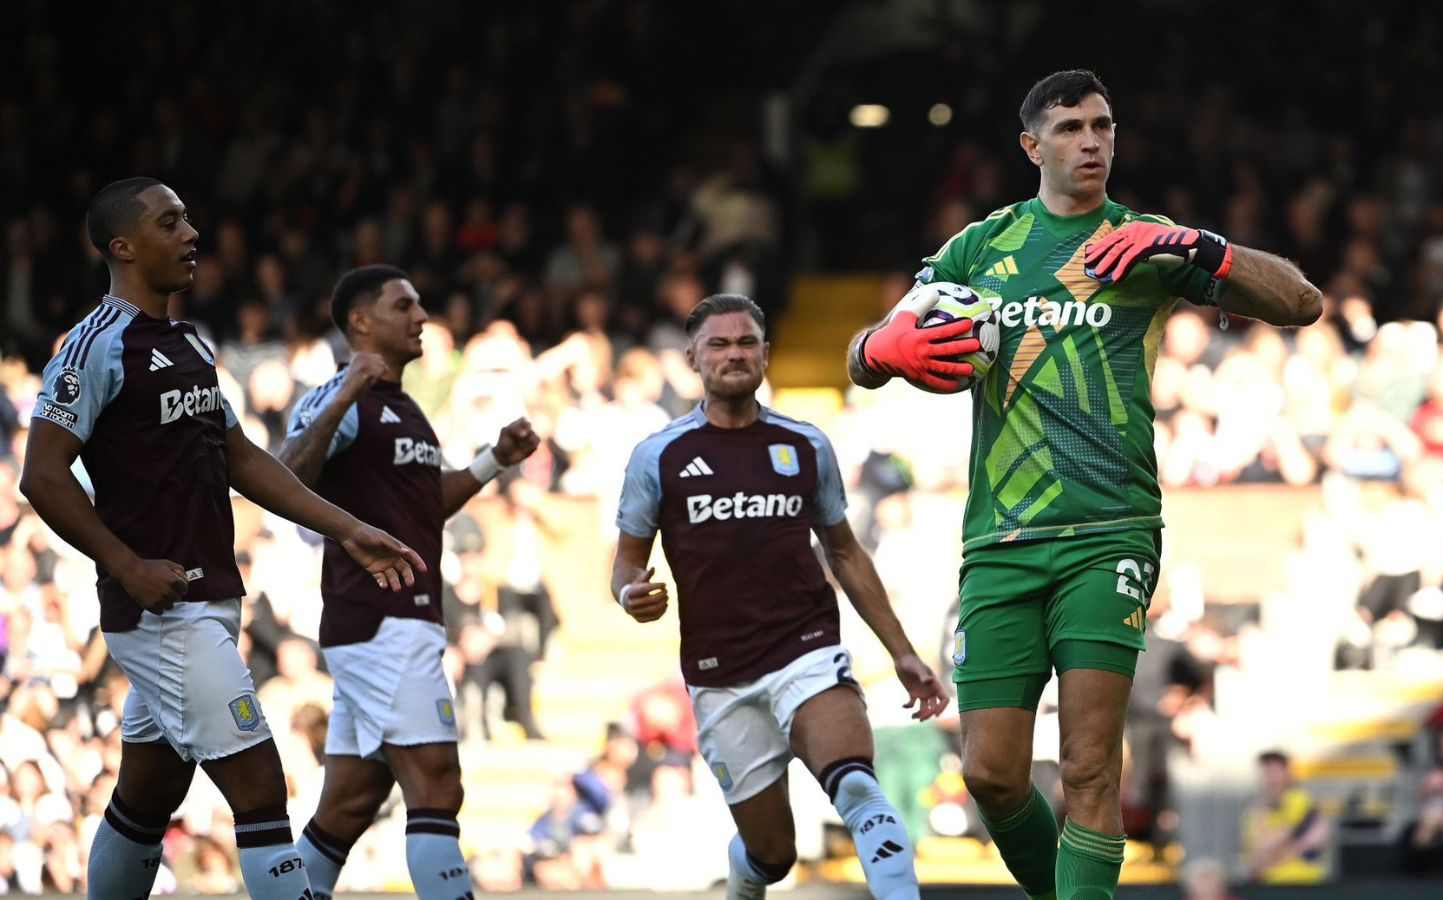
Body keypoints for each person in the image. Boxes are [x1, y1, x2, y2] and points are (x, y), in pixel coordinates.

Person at [845, 70, 1320, 899]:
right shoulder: (979, 247)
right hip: (1000, 537)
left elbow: (1303, 303)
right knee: (989, 772)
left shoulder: (1148, 240)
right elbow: (868, 347)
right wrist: (881, 354)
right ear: (1032, 147)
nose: (1092, 141)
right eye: (1070, 128)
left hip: (1110, 532)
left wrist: (1202, 248)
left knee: (1089, 767)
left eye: (1103, 125)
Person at [19, 177, 424, 900]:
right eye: (170, 223)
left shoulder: (189, 342)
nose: (190, 233)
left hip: (206, 596)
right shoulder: (92, 346)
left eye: (187, 220)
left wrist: (349, 527)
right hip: (161, 609)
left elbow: (242, 459)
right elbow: (42, 477)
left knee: (146, 798)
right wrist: (126, 564)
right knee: (261, 789)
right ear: (123, 248)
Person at [613, 294, 948, 900]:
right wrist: (630, 593)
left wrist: (902, 651)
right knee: (773, 855)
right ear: (692, 357)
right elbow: (626, 564)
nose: (734, 354)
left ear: (766, 354)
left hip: (807, 650)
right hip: (720, 675)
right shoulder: (658, 457)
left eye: (746, 343)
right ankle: (748, 882)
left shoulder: (806, 446)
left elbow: (845, 551)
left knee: (854, 785)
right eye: (719, 344)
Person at [276, 264, 540, 900]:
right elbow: (284, 480)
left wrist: (492, 461)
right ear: (361, 322)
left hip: (399, 619)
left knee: (349, 802)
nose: (422, 317)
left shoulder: (407, 408)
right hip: (379, 617)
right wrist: (343, 392)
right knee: (438, 783)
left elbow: (424, 503)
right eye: (405, 306)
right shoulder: (337, 397)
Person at [1240, 751, 1331, 884]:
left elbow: (1278, 839)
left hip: (1303, 882)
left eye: (1275, 771)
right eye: (1266, 771)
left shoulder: (1300, 801)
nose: (1271, 777)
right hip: (1269, 883)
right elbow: (1256, 854)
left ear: (1287, 773)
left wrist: (1272, 851)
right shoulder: (1254, 812)